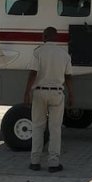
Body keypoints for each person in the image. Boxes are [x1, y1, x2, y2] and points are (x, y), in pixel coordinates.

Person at [23, 26, 74, 173]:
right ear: (56, 37)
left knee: (38, 127)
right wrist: (72, 94)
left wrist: (27, 92)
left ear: (44, 37)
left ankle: (35, 161)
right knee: (55, 129)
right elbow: (68, 76)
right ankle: (53, 163)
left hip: (39, 93)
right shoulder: (64, 55)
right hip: (57, 93)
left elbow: (33, 73)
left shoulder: (38, 52)